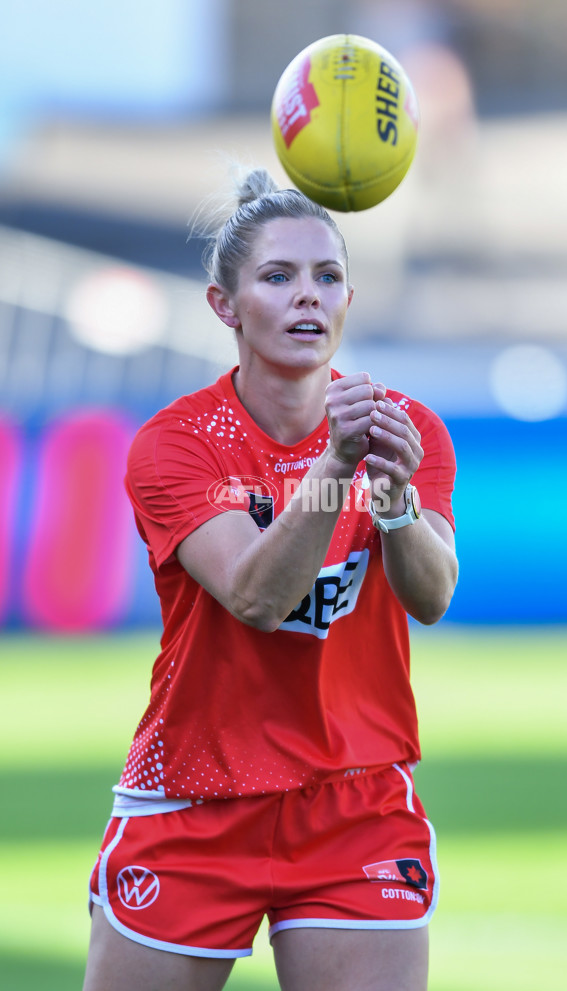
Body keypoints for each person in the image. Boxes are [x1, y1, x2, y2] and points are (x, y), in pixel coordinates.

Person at [83, 168, 458, 991]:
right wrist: (336, 468)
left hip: (352, 799)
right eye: (279, 277)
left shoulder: (408, 428)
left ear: (349, 299)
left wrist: (392, 499)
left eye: (326, 277)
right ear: (227, 305)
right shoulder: (177, 442)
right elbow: (256, 598)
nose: (307, 298)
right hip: (194, 796)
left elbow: (431, 597)